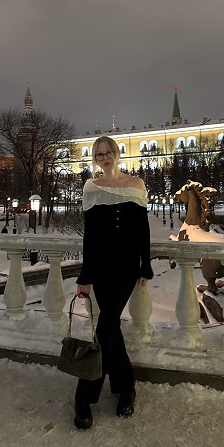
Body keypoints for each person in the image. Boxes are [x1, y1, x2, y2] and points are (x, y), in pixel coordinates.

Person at [73, 136, 153, 430]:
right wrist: (85, 275)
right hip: (101, 268)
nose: (104, 157)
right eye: (99, 154)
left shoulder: (136, 184)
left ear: (117, 154)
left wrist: (146, 264)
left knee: (105, 326)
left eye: (108, 152)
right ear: (94, 158)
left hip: (126, 267)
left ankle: (84, 396)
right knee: (111, 328)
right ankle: (126, 386)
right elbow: (90, 236)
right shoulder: (91, 187)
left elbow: (143, 229)